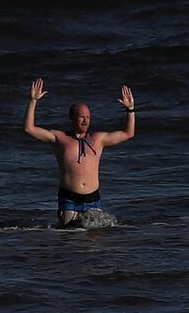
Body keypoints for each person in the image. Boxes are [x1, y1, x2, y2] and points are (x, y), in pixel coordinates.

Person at [24, 77, 136, 226]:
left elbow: (129, 133)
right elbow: (29, 129)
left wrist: (130, 109)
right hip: (69, 199)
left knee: (93, 243)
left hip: (93, 200)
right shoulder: (60, 138)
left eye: (88, 117)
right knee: (70, 241)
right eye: (81, 117)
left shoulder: (98, 139)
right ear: (72, 118)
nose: (85, 121)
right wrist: (33, 101)